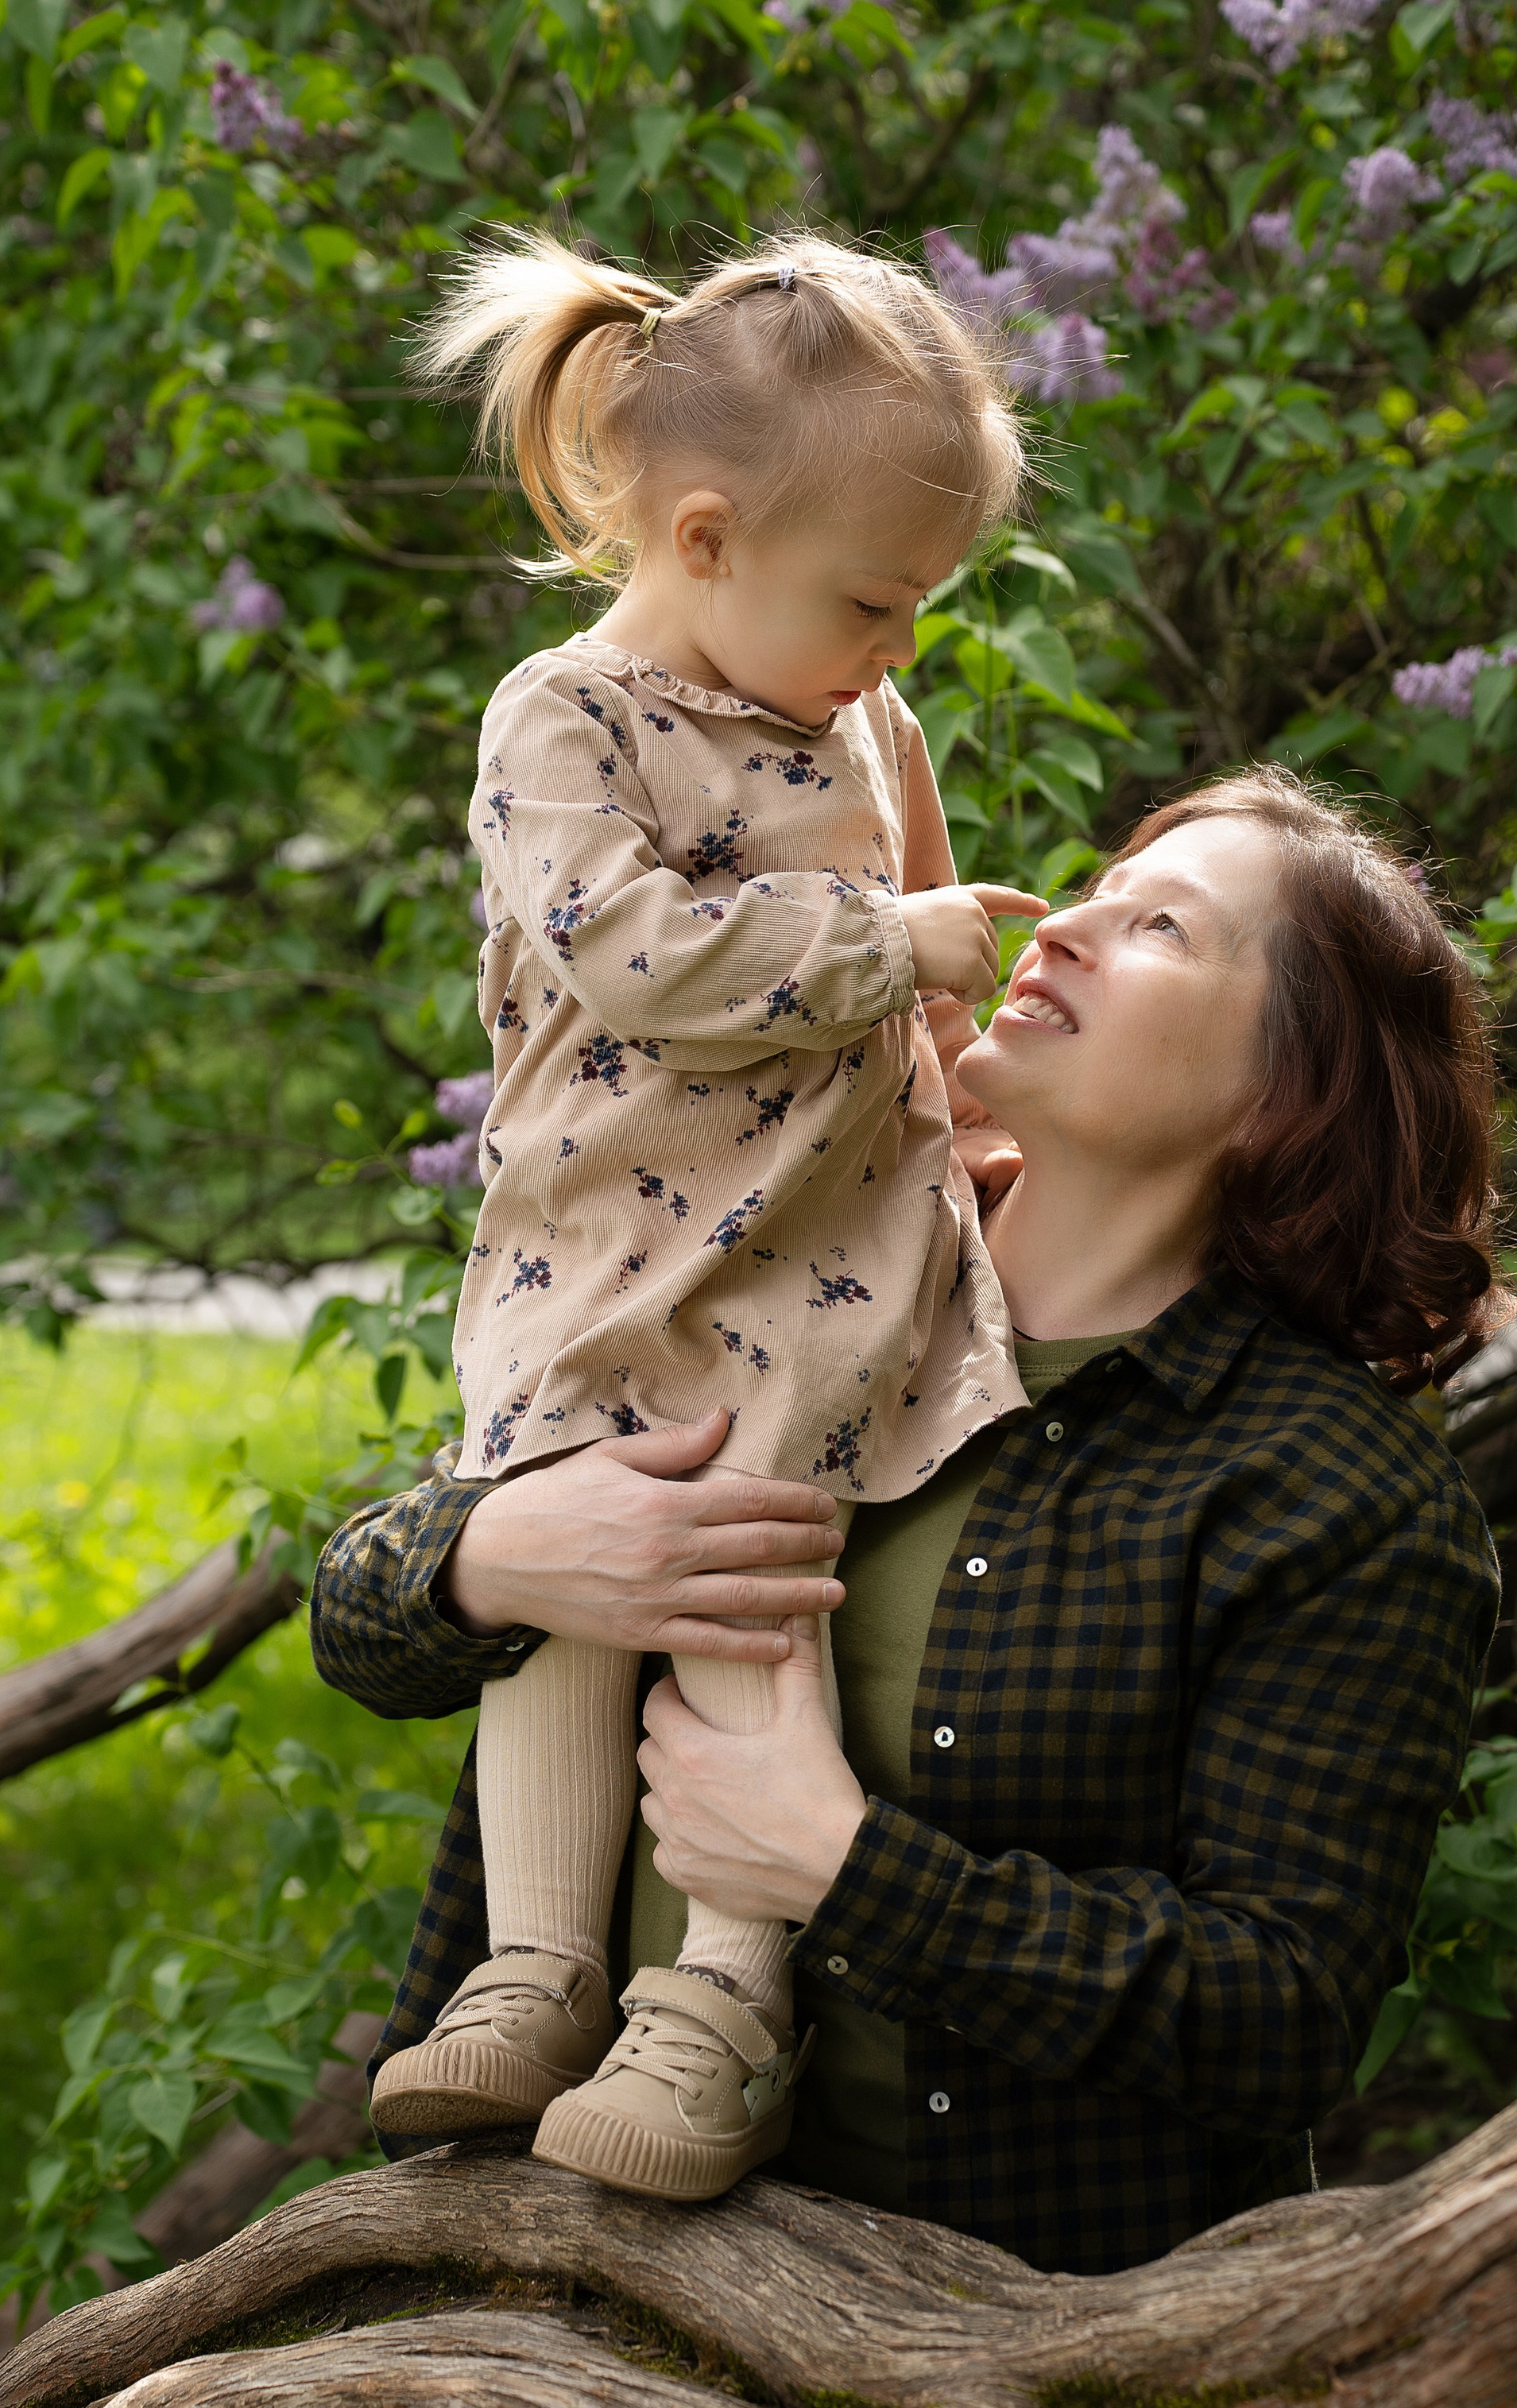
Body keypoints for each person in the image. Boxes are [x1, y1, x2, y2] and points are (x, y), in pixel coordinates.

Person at [313, 767, 1508, 2408]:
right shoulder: (795, 1260)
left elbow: (1274, 2017)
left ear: (1279, 1093)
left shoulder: (1322, 1493)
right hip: (617, 2370)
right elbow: (365, 1622)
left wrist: (837, 1864)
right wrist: (494, 1549)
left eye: (1162, 928)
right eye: (1097, 891)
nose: (1061, 927)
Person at [366, 229, 1046, 2202]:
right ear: (702, 534)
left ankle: (714, 2013)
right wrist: (886, 937)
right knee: (561, 1601)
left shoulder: (865, 727)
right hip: (596, 1247)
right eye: (873, 601)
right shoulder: (556, 721)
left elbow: (926, 996)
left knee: (754, 1582)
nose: (894, 648)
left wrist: (959, 1112)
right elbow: (641, 953)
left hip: (809, 1262)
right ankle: (530, 1972)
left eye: (916, 610)